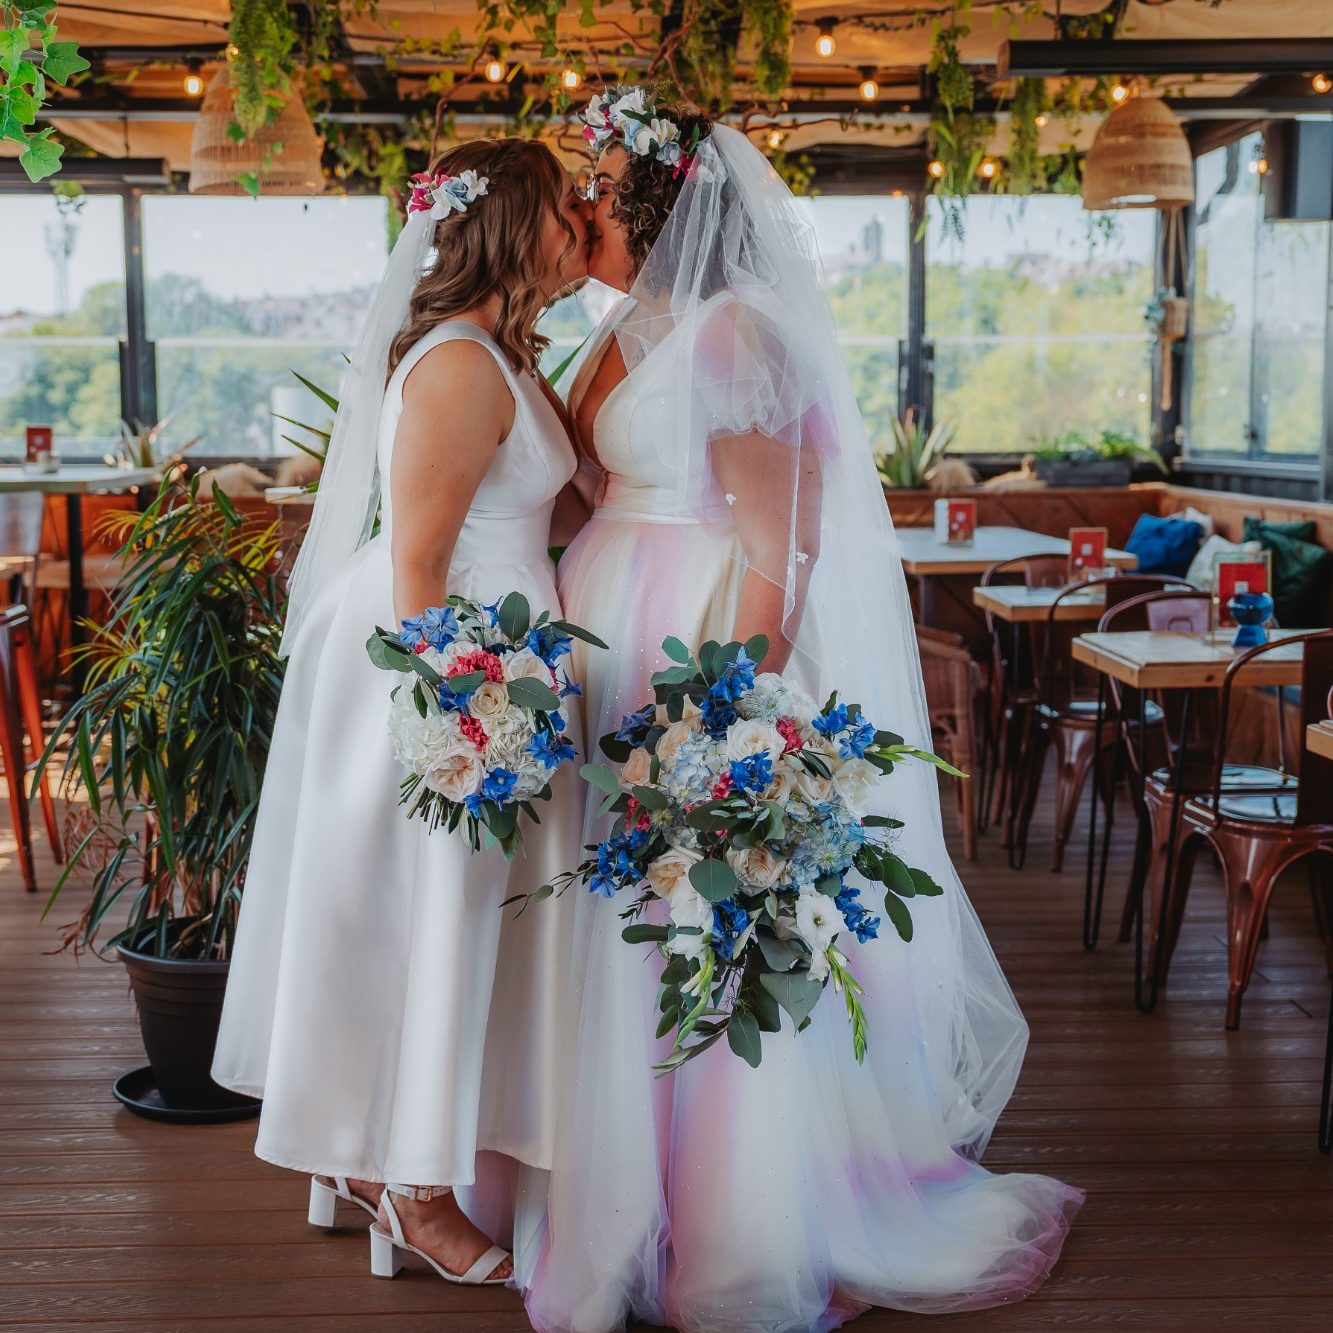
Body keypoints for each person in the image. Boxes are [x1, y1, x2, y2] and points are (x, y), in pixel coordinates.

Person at [523, 91, 1083, 1333]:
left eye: (600, 191)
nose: (583, 207)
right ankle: (613, 1195)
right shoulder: (612, 334)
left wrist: (731, 708)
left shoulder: (734, 336)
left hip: (692, 652)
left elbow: (782, 546)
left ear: (657, 207)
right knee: (614, 915)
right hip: (602, 643)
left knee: (692, 919)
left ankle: (734, 1225)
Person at [212, 137, 589, 1288]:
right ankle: (405, 1187)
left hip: (494, 651)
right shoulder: (460, 364)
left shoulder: (506, 355)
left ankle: (387, 1159)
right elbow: (423, 559)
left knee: (450, 918)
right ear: (515, 227)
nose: (582, 222)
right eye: (566, 208)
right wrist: (460, 718)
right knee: (429, 917)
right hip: (443, 658)